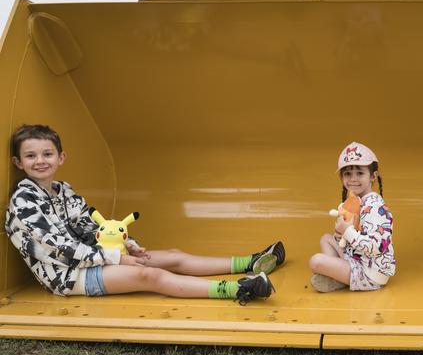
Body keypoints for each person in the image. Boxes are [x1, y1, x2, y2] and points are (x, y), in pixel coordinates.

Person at [5, 124, 286, 304]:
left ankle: (251, 262)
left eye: (47, 154)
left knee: (173, 255)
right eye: (31, 156)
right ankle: (238, 289)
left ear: (61, 157)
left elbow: (93, 229)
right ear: (19, 162)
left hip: (98, 259)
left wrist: (128, 245)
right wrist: (118, 259)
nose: (40, 161)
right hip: (67, 277)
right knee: (150, 276)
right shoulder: (24, 201)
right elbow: (59, 249)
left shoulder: (62, 190)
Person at [309, 142, 395, 292]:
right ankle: (340, 278)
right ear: (341, 177)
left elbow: (376, 247)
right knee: (326, 239)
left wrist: (348, 232)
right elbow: (349, 238)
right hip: (356, 258)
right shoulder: (352, 201)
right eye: (347, 173)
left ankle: (340, 278)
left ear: (373, 176)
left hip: (371, 272)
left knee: (315, 261)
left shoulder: (375, 207)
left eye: (360, 173)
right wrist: (340, 235)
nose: (353, 179)